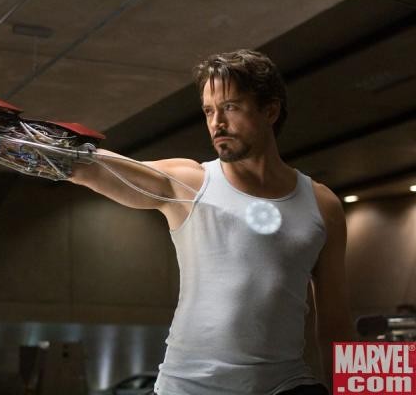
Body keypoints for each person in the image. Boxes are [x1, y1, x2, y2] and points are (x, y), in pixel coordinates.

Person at [70, 49, 354, 395]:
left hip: (285, 385)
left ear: (270, 110)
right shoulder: (190, 183)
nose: (216, 122)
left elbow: (336, 324)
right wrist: (15, 139)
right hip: (188, 388)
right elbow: (89, 167)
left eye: (230, 107)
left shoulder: (323, 205)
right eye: (208, 110)